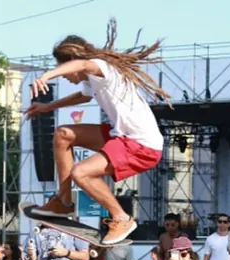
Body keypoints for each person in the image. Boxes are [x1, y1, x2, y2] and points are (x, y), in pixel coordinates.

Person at [24, 18, 170, 245]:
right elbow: (83, 96)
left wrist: (45, 76)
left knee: (81, 173)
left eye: (64, 70)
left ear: (72, 61)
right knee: (63, 134)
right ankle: (63, 202)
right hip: (121, 136)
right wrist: (48, 107)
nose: (64, 76)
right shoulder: (93, 78)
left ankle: (122, 218)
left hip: (141, 145)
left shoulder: (100, 67)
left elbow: (81, 65)